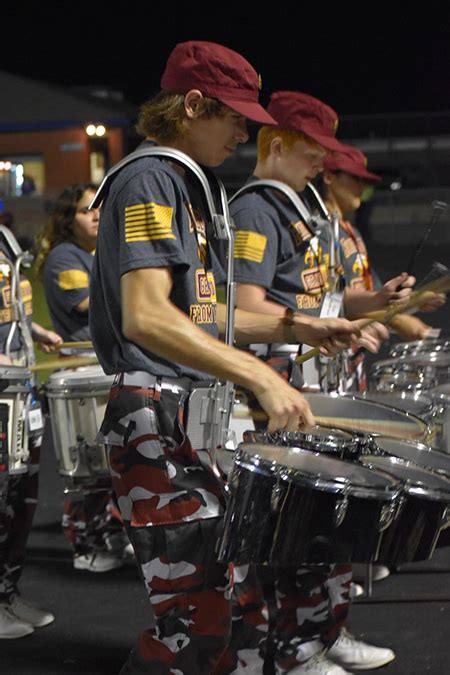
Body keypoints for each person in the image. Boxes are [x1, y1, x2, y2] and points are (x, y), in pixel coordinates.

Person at [89, 41, 364, 675]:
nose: (245, 132)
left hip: (188, 417)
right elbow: (147, 315)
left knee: (239, 607)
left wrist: (302, 326)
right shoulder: (150, 178)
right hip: (152, 416)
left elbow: (209, 316)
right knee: (198, 621)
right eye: (234, 116)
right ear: (190, 105)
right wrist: (261, 373)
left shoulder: (189, 183)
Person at [228, 91, 403, 674]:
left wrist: (371, 301)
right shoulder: (258, 209)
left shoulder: (299, 206)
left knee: (329, 516)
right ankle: (297, 647)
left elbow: (310, 294)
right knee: (296, 523)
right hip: (279, 382)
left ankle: (326, 629)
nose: (321, 164)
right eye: (312, 152)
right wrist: (309, 329)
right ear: (277, 145)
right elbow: (247, 306)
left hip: (310, 376)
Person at [35, 183, 131, 572]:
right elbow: (88, 303)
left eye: (99, 208)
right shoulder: (64, 256)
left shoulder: (98, 253)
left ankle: (108, 533)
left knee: (113, 464)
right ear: (66, 219)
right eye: (84, 210)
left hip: (108, 365)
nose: (95, 215)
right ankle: (84, 542)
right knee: (88, 464)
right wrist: (144, 286)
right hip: (82, 372)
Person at [318, 142, 446, 348]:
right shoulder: (318, 231)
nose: (362, 186)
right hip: (329, 354)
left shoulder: (351, 231)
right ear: (329, 177)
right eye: (355, 178)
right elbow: (322, 301)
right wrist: (396, 320)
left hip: (354, 355)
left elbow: (374, 296)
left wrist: (414, 301)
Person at [0, 230, 62, 638]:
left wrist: (32, 331)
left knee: (22, 497)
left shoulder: (4, 236)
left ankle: (6, 590)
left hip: (18, 384)